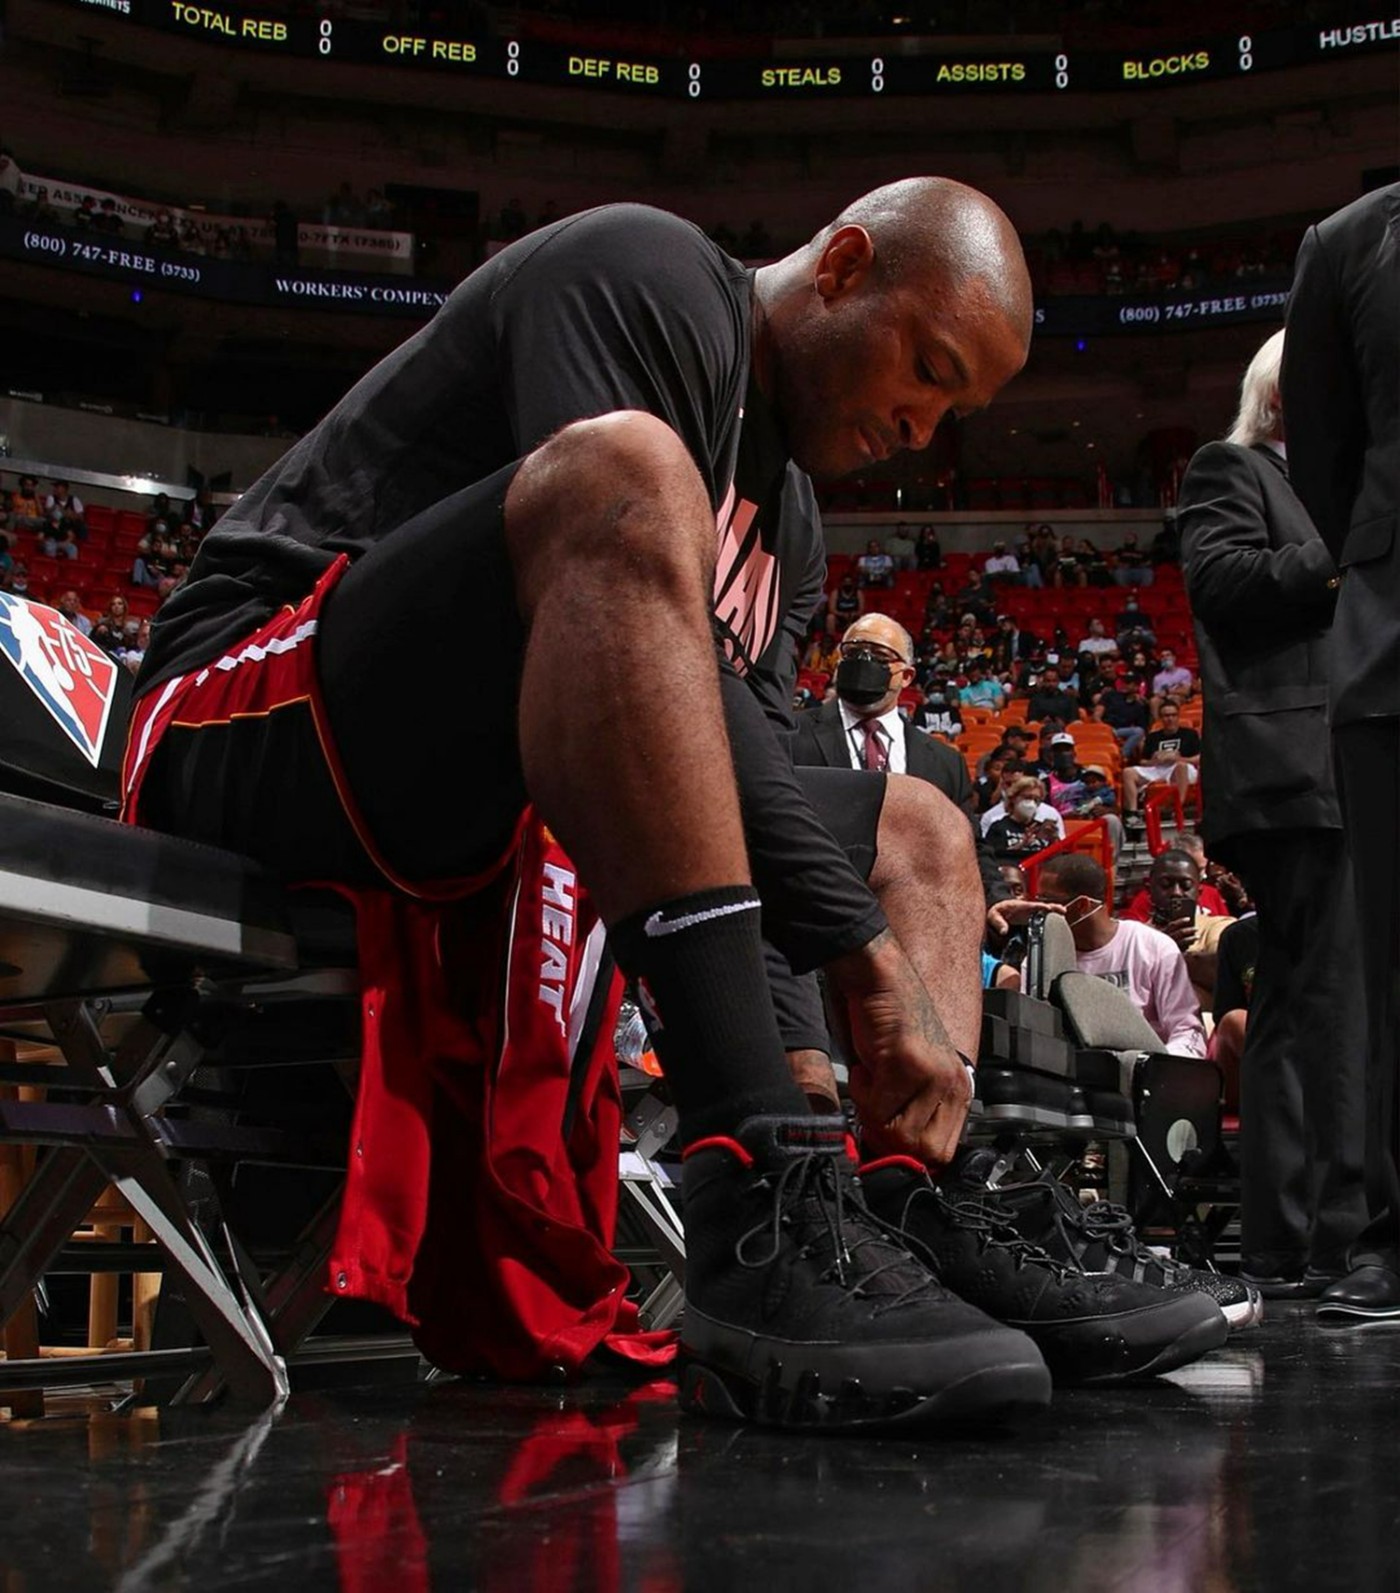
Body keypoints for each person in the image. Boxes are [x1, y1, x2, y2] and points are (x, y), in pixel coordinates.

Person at [128, 179, 1176, 1428]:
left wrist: (808, 1058)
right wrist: (861, 957)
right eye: (926, 370)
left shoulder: (789, 524)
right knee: (625, 470)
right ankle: (747, 1192)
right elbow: (617, 553)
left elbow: (739, 780)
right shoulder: (647, 276)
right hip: (252, 706)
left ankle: (899, 1207)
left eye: (953, 410)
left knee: (919, 832)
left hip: (489, 789)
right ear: (842, 266)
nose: (921, 427)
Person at [1281, 182, 1400, 1320]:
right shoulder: (1349, 244)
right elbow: (1325, 458)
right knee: (1391, 961)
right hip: (1393, 629)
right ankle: (1393, 1236)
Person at [1033, 854, 1208, 1058]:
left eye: (1048, 902)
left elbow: (1187, 1030)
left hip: (1141, 1066)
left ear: (1082, 906)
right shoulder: (1041, 956)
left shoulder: (1152, 946)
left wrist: (1155, 1067)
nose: (1039, 910)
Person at [1121, 700, 1199, 820]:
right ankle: (1132, 813)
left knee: (1181, 766)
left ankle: (1178, 807)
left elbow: (1199, 758)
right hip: (1158, 767)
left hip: (1181, 768)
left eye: (1173, 715)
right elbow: (1143, 761)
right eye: (1166, 716)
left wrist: (1177, 758)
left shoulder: (1190, 734)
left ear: (1178, 716)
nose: (1170, 719)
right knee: (1128, 772)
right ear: (1161, 718)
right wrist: (1154, 760)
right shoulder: (1153, 737)